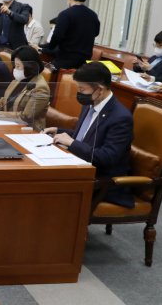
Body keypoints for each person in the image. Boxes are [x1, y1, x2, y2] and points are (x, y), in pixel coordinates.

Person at [44, 62, 134, 208]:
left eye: (82, 89)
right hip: (79, 165)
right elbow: (86, 137)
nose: (79, 93)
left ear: (99, 89)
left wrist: (71, 143)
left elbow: (107, 157)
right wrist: (59, 131)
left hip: (101, 179)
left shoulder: (120, 117)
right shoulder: (90, 104)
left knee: (47, 183)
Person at [0, 46, 50, 130]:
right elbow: (3, 102)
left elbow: (26, 116)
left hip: (28, 130)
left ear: (29, 67)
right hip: (8, 123)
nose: (15, 69)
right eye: (14, 65)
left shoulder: (41, 87)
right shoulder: (18, 79)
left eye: (18, 66)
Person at [41, 0, 100, 70]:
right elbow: (96, 33)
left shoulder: (65, 14)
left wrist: (50, 48)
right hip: (84, 62)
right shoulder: (93, 15)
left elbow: (57, 36)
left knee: (45, 72)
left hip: (65, 59)